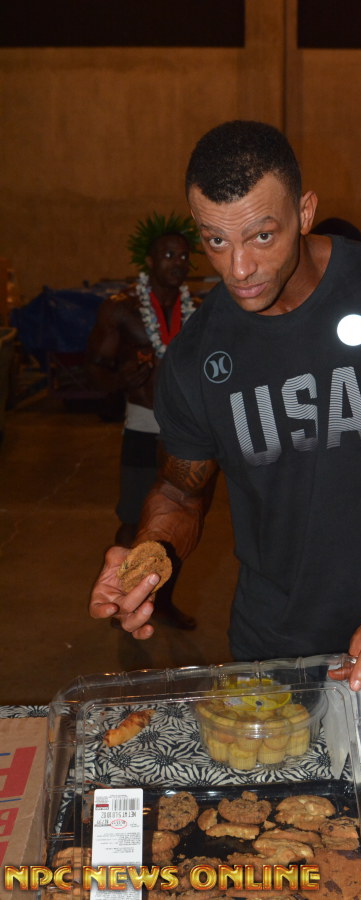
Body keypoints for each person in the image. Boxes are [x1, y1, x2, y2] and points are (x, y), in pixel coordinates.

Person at [89, 120, 361, 722]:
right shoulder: (197, 356)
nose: (239, 267)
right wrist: (147, 555)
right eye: (215, 241)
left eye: (261, 236)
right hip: (273, 643)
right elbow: (180, 488)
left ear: (304, 212)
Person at [87, 212, 200, 630]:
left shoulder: (199, 312)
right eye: (168, 255)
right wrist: (121, 380)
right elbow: (93, 369)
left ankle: (161, 601)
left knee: (178, 522)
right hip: (141, 423)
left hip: (186, 430)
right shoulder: (121, 309)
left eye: (183, 256)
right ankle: (121, 597)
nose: (177, 262)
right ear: (150, 261)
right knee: (134, 519)